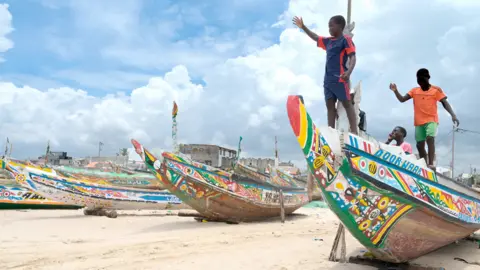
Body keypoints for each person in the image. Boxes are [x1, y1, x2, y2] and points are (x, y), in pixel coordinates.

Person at [293, 15, 358, 134]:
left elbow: (352, 57)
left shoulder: (345, 40)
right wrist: (303, 27)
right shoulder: (329, 41)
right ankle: (331, 132)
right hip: (328, 80)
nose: (329, 29)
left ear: (340, 26)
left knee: (347, 104)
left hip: (340, 79)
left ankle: (355, 132)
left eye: (331, 26)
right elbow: (315, 37)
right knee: (330, 107)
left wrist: (348, 72)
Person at [389, 68, 459, 169]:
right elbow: (402, 99)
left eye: (423, 81)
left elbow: (444, 102)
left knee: (430, 138)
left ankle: (431, 164)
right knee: (419, 145)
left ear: (428, 79)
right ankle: (424, 165)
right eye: (419, 82)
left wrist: (453, 115)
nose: (421, 84)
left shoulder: (436, 90)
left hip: (431, 120)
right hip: (419, 122)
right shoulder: (414, 91)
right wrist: (395, 91)